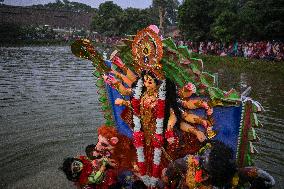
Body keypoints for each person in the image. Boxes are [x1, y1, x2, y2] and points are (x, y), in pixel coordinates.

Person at [162, 141, 275, 189]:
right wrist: (167, 177)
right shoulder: (191, 162)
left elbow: (242, 173)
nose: (201, 159)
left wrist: (258, 174)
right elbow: (173, 167)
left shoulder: (226, 174)